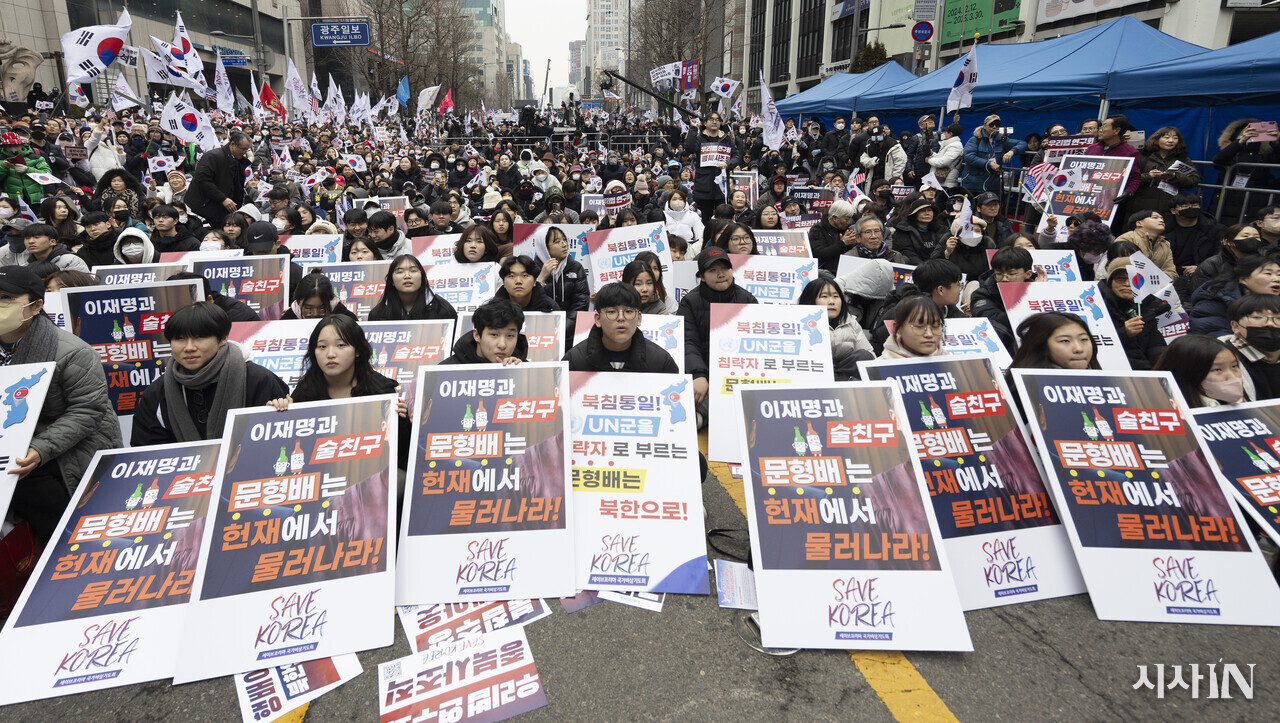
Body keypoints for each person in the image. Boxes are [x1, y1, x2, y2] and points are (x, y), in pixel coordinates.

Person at [0, 266, 120, 543]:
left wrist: (39, 450)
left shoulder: (72, 351)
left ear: (35, 306)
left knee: (27, 483)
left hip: (73, 443)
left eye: (7, 298)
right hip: (14, 438)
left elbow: (87, 411)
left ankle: (62, 550)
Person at [132, 302, 288, 445]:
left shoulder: (257, 380)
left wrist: (282, 410)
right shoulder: (158, 392)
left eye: (200, 337)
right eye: (179, 338)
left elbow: (278, 439)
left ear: (222, 338)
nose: (189, 347)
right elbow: (146, 448)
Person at [266, 314, 410, 466]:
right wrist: (281, 413)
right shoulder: (305, 393)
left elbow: (402, 455)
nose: (330, 354)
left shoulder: (380, 390)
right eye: (322, 347)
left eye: (341, 345)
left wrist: (402, 421)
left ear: (357, 351)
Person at [679, 247, 758, 426]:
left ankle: (707, 417)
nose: (720, 274)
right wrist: (698, 374)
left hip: (740, 370)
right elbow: (688, 341)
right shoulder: (690, 302)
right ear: (702, 276)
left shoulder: (747, 299)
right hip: (705, 372)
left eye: (724, 268)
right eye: (712, 270)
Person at [564, 282, 678, 373]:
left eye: (628, 311)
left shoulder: (660, 362)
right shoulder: (575, 361)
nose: (621, 318)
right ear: (598, 319)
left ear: (639, 318)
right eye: (612, 311)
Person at [871, 259, 965, 352]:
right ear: (941, 290)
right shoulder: (901, 311)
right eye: (958, 285)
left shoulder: (949, 309)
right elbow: (882, 339)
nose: (960, 290)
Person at [1098, 257, 1167, 370]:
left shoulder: (1147, 306)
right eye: (1120, 279)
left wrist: (1162, 366)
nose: (1127, 284)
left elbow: (1155, 345)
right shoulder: (1098, 306)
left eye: (1133, 279)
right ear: (1110, 281)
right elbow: (1096, 344)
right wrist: (1124, 333)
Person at [800, 276, 873, 379]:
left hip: (844, 374)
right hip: (814, 374)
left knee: (864, 356)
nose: (832, 302)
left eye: (836, 296)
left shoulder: (851, 322)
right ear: (811, 300)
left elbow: (869, 355)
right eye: (824, 296)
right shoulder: (800, 324)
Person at [1189, 255, 1280, 337]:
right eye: (1268, 273)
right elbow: (1213, 337)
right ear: (1244, 279)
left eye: (1279, 274)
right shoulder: (1215, 300)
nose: (1277, 279)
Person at [1154, 335, 1253, 407]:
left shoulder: (1249, 406)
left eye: (1234, 366)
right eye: (1217, 369)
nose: (1232, 376)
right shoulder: (1167, 411)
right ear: (1187, 373)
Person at [968, 246, 1032, 352]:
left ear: (1027, 274)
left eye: (1011, 274)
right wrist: (1028, 300)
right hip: (1003, 347)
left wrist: (1037, 293)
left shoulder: (1039, 290)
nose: (1004, 279)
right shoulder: (981, 294)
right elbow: (994, 323)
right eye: (999, 274)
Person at [185, 131, 252, 227]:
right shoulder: (213, 156)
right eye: (243, 149)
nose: (245, 152)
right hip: (207, 208)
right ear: (232, 144)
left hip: (225, 210)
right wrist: (222, 198)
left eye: (247, 150)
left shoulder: (238, 161)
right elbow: (203, 180)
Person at [1221, 294, 1280, 399]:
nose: (1270, 324)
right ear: (1235, 326)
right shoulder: (1217, 358)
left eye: (1278, 318)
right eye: (1258, 317)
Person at [684, 112, 739, 224]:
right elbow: (690, 148)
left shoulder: (726, 138)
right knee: (706, 220)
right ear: (705, 122)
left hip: (721, 187)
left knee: (723, 218)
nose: (714, 122)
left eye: (717, 119)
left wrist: (728, 164)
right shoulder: (700, 138)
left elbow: (736, 156)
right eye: (711, 119)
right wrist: (693, 128)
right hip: (703, 186)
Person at [1132, 127, 1199, 217]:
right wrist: (1148, 176)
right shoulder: (1143, 156)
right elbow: (1129, 179)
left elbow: (1194, 180)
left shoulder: (1182, 158)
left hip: (1169, 206)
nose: (1171, 141)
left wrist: (1174, 177)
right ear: (1156, 139)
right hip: (1141, 205)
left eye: (1175, 138)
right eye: (1166, 137)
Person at [440, 297, 529, 365]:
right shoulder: (446, 371)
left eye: (510, 335)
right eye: (494, 335)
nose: (502, 345)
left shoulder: (526, 371)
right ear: (477, 335)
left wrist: (518, 373)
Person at [368, 254, 457, 321]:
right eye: (400, 272)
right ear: (391, 281)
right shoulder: (377, 314)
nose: (407, 275)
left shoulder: (443, 309)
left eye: (413, 270)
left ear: (422, 277)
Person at [1164, 193, 1223, 283]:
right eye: (1184, 206)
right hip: (1169, 273)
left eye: (1194, 205)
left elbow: (1220, 255)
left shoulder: (1214, 230)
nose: (1190, 208)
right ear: (1173, 210)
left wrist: (1202, 267)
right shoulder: (1163, 229)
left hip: (1202, 274)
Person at [961, 115, 1025, 196]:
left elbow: (1023, 144)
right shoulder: (975, 140)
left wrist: (1012, 151)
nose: (994, 127)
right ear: (984, 126)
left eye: (997, 125)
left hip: (993, 184)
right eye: (991, 124)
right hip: (974, 184)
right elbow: (969, 157)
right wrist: (989, 164)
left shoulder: (1002, 140)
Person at [1010, 312, 1098, 369]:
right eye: (1065, 341)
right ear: (1041, 346)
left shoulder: (1107, 383)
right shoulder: (1026, 387)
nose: (1079, 349)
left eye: (1084, 339)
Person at [1191, 224, 1263, 292]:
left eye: (1256, 237)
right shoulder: (1213, 264)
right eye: (1245, 236)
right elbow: (1202, 291)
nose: (1252, 239)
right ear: (1229, 242)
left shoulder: (1264, 263)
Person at [0, 222, 90, 271]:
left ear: (52, 242)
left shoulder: (70, 261)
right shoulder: (27, 266)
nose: (31, 241)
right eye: (27, 238)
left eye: (37, 237)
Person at [878, 295, 945, 360]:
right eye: (919, 326)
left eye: (936, 325)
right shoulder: (878, 369)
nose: (929, 334)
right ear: (898, 328)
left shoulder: (952, 365)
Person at [1115, 209, 1177, 279]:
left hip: (1156, 285)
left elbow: (1171, 271)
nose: (1161, 220)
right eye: (1155, 217)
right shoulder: (1127, 238)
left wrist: (1158, 279)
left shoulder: (1165, 244)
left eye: (1162, 218)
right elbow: (1120, 266)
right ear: (1139, 223)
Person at [280, 270, 359, 320]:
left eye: (322, 308)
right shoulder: (287, 320)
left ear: (330, 301)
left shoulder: (346, 318)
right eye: (308, 308)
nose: (315, 314)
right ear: (298, 302)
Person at [808, 199, 859, 274]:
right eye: (846, 219)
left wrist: (850, 244)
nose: (848, 223)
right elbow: (819, 254)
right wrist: (842, 244)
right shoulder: (817, 230)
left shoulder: (846, 230)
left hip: (845, 271)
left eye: (849, 219)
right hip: (824, 272)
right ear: (835, 218)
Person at [495, 255, 560, 312]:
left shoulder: (549, 308)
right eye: (512, 276)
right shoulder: (493, 310)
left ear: (534, 281)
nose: (518, 281)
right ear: (503, 282)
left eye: (524, 276)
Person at [892, 197, 948, 264]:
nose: (927, 213)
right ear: (914, 214)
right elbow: (909, 254)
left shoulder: (941, 230)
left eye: (929, 210)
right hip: (915, 268)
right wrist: (925, 269)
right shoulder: (904, 231)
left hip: (937, 267)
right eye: (922, 211)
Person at [926, 122, 965, 189]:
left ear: (950, 134)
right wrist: (932, 154)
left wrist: (929, 160)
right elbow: (941, 158)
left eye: (945, 132)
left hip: (946, 183)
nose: (943, 133)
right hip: (939, 181)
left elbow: (943, 162)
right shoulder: (948, 144)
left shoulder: (955, 146)